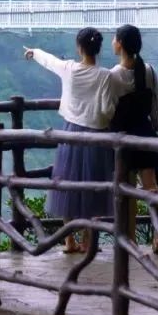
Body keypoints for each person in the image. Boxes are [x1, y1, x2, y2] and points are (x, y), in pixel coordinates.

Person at [23, 27, 120, 254]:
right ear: (98, 49)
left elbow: (51, 61)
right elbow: (107, 110)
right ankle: (89, 242)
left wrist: (34, 52)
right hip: (98, 135)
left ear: (79, 48)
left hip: (71, 133)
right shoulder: (106, 76)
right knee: (94, 188)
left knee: (67, 185)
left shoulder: (69, 70)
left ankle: (69, 241)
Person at [109, 24, 158, 254]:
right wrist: (157, 131)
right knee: (151, 188)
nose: (112, 41)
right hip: (145, 133)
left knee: (128, 190)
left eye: (114, 38)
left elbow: (108, 110)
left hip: (123, 138)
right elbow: (155, 104)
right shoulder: (148, 70)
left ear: (120, 44)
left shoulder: (114, 75)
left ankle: (130, 241)